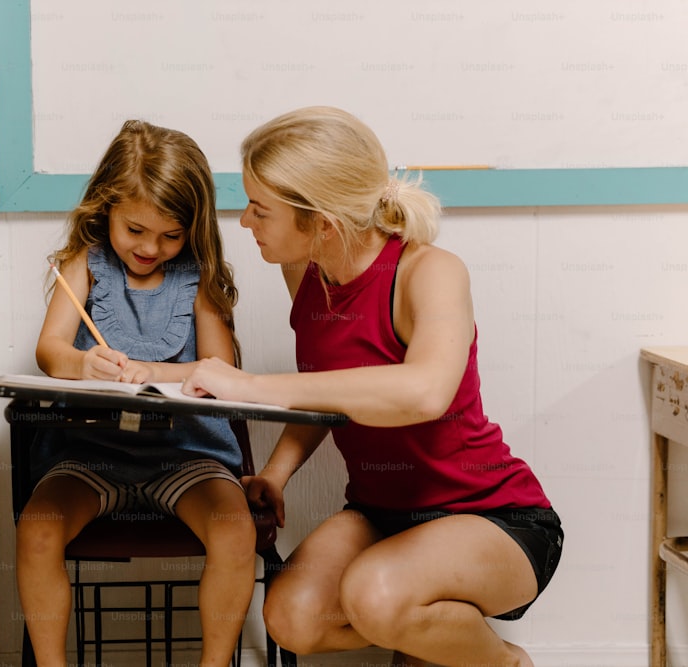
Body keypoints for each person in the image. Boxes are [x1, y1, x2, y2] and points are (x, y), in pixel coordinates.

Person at [182, 106, 563, 667]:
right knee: (291, 617)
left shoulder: (429, 271)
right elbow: (329, 389)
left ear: (321, 221)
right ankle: (425, 638)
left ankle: (505, 663)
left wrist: (256, 386)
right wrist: (276, 474)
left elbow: (423, 393)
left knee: (374, 595)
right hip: (380, 512)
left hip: (492, 515)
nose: (245, 223)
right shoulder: (307, 270)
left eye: (259, 210)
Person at [16, 119, 255, 667]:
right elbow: (50, 351)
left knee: (235, 530)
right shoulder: (83, 265)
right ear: (106, 210)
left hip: (187, 457)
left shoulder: (200, 277)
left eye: (171, 236)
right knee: (36, 531)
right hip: (90, 456)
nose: (151, 248)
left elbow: (224, 369)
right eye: (136, 230)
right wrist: (83, 362)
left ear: (191, 230)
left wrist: (152, 367)